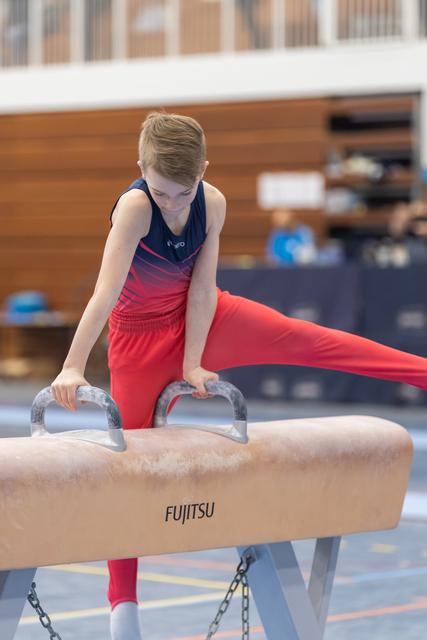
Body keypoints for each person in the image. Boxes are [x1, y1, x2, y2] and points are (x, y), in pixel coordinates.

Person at [50, 111, 427, 640]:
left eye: (185, 193)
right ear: (140, 169)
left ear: (204, 169)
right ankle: (123, 612)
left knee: (307, 339)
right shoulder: (135, 208)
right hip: (136, 338)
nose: (174, 204)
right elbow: (105, 294)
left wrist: (193, 363)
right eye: (163, 193)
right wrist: (71, 366)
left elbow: (203, 288)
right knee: (129, 472)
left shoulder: (214, 202)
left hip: (202, 315)